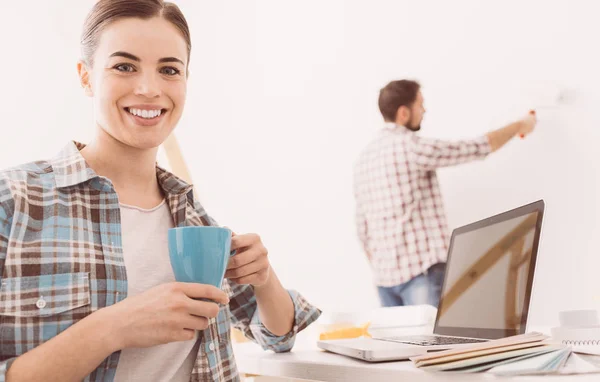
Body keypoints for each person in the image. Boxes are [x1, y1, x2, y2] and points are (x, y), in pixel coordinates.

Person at [0, 1, 320, 381]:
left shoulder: (192, 214)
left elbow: (278, 335)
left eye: (169, 69)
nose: (150, 88)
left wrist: (264, 278)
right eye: (124, 66)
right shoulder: (16, 202)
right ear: (86, 76)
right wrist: (113, 327)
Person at [353, 79, 537, 308]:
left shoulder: (364, 159)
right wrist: (520, 125)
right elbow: (477, 147)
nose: (424, 110)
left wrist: (383, 266)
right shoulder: (410, 147)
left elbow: (362, 229)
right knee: (432, 344)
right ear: (403, 112)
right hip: (421, 275)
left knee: (396, 344)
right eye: (420, 104)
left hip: (384, 281)